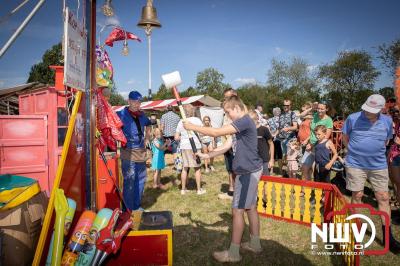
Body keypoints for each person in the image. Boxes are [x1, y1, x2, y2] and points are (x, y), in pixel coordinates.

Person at [184, 96, 263, 263]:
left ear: (236, 108)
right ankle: (255, 244)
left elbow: (215, 132)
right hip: (249, 171)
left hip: (247, 173)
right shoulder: (241, 125)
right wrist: (208, 154)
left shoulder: (244, 120)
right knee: (250, 208)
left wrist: (191, 126)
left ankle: (233, 253)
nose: (227, 116)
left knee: (237, 211)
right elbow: (227, 145)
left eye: (228, 112)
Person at [342, 94, 400, 253]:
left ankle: (388, 238)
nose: (367, 112)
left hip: (378, 165)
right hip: (356, 164)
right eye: (367, 108)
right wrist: (352, 151)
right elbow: (344, 137)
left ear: (381, 109)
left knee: (383, 197)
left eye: (372, 110)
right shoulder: (353, 118)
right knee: (358, 195)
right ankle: (355, 233)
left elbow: (386, 140)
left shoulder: (387, 121)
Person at [117, 91, 151, 211]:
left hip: (141, 152)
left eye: (139, 102)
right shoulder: (120, 114)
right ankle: (127, 210)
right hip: (128, 153)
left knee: (140, 179)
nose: (137, 104)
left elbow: (148, 124)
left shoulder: (142, 115)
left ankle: (136, 206)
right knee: (129, 180)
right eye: (135, 101)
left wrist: (147, 138)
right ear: (129, 101)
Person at [175, 104, 206, 195]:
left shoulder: (181, 122)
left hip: (184, 146)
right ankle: (199, 190)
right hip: (195, 146)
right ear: (192, 111)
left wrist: (184, 137)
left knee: (185, 168)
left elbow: (176, 137)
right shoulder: (197, 120)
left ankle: (183, 189)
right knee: (197, 168)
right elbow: (202, 133)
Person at [303, 102, 333, 180]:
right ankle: (307, 188)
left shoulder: (329, 121)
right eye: (318, 108)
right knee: (305, 168)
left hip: (319, 149)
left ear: (327, 109)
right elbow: (301, 115)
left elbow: (325, 138)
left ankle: (316, 188)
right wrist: (312, 108)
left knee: (316, 171)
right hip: (310, 146)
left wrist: (312, 145)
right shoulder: (315, 115)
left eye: (322, 109)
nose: (319, 110)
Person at [218, 88, 238, 200]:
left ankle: (238, 192)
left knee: (237, 170)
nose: (226, 99)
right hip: (227, 145)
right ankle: (231, 190)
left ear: (235, 96)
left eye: (228, 97)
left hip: (235, 146)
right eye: (225, 97)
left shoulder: (238, 111)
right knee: (230, 169)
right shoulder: (225, 112)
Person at [249, 110, 274, 175]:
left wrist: (271, 160)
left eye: (253, 120)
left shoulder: (264, 129)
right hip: (253, 161)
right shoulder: (249, 131)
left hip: (265, 161)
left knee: (266, 182)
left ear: (257, 118)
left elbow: (271, 144)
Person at [277, 99, 298, 171]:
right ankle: (286, 174)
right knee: (285, 157)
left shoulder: (293, 114)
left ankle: (293, 175)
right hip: (282, 139)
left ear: (290, 106)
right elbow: (279, 128)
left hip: (291, 139)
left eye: (287, 105)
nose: (285, 107)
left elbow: (295, 127)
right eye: (284, 105)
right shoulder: (281, 115)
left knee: (291, 159)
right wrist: (274, 134)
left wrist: (288, 128)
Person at [267, 107, 283, 174]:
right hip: (279, 139)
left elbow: (267, 128)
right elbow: (281, 129)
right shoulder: (281, 120)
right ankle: (280, 171)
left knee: (271, 155)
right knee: (280, 155)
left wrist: (271, 134)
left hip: (271, 139)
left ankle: (271, 170)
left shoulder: (269, 120)